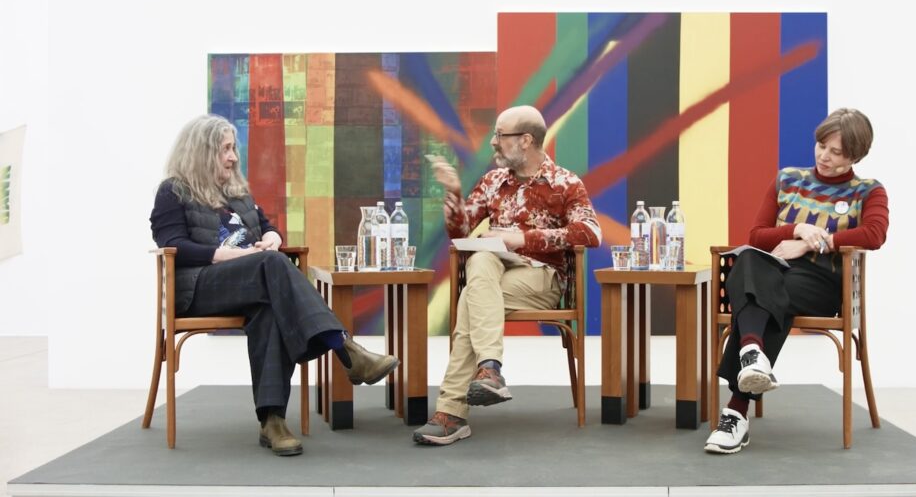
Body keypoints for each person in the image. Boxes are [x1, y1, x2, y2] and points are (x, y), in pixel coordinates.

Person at [149, 115, 399, 457]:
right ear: (202, 151)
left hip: (252, 284)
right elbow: (172, 243)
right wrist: (229, 255)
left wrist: (271, 237)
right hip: (200, 289)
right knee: (272, 263)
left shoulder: (237, 194)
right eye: (225, 149)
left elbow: (268, 228)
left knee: (269, 306)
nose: (234, 157)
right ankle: (345, 348)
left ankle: (273, 421)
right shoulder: (173, 191)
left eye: (233, 148)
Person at [413, 105, 602, 446]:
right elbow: (460, 231)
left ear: (526, 140)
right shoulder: (493, 181)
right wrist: (455, 192)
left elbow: (590, 232)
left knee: (472, 297)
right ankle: (489, 370)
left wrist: (523, 239)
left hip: (540, 276)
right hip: (493, 273)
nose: (493, 142)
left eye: (500, 135)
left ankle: (451, 414)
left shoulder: (564, 182)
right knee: (481, 263)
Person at [704, 107, 889, 454]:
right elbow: (757, 235)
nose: (824, 156)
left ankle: (737, 406)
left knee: (766, 296)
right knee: (747, 259)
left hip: (821, 281)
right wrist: (796, 228)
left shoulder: (868, 191)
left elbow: (874, 234)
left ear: (856, 155)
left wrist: (813, 242)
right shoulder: (788, 179)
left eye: (836, 152)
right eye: (821, 146)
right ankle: (751, 360)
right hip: (774, 272)